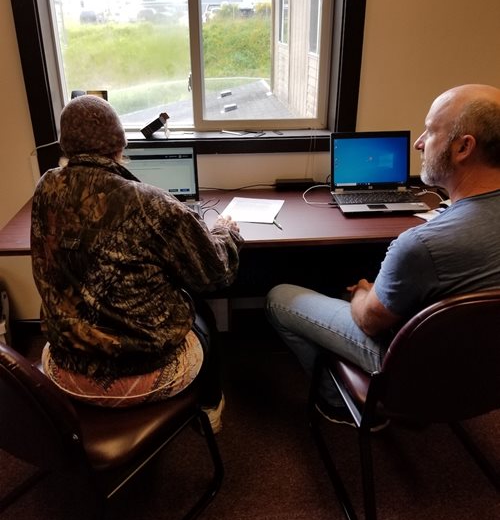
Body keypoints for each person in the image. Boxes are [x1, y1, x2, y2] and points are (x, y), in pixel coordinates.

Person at [266, 83, 500, 426]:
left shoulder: (421, 245)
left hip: (406, 369)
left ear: (464, 147)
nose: (419, 142)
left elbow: (369, 321)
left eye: (431, 130)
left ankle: (338, 404)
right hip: (485, 373)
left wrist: (364, 290)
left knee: (278, 296)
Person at [31, 95, 243, 432]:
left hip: (63, 366)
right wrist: (225, 231)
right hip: (143, 373)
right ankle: (209, 408)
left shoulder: (46, 187)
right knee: (200, 307)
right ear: (121, 143)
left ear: (64, 144)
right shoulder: (149, 202)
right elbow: (215, 272)